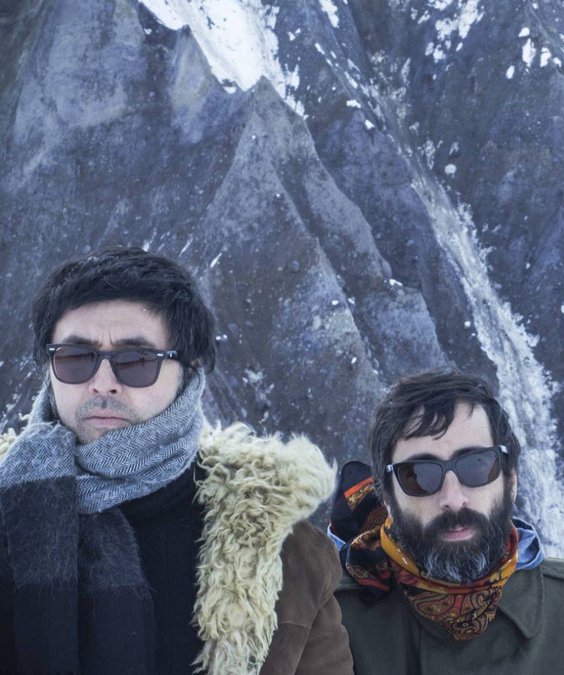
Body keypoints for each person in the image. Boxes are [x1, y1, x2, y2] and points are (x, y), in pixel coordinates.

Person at [0, 247, 351, 674]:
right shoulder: (8, 505)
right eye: (76, 358)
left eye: (136, 360)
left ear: (189, 370)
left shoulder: (285, 557)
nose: (102, 383)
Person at [331, 370, 564, 673]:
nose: (453, 498)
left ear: (511, 481)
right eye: (419, 475)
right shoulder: (333, 618)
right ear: (387, 498)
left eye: (476, 465)